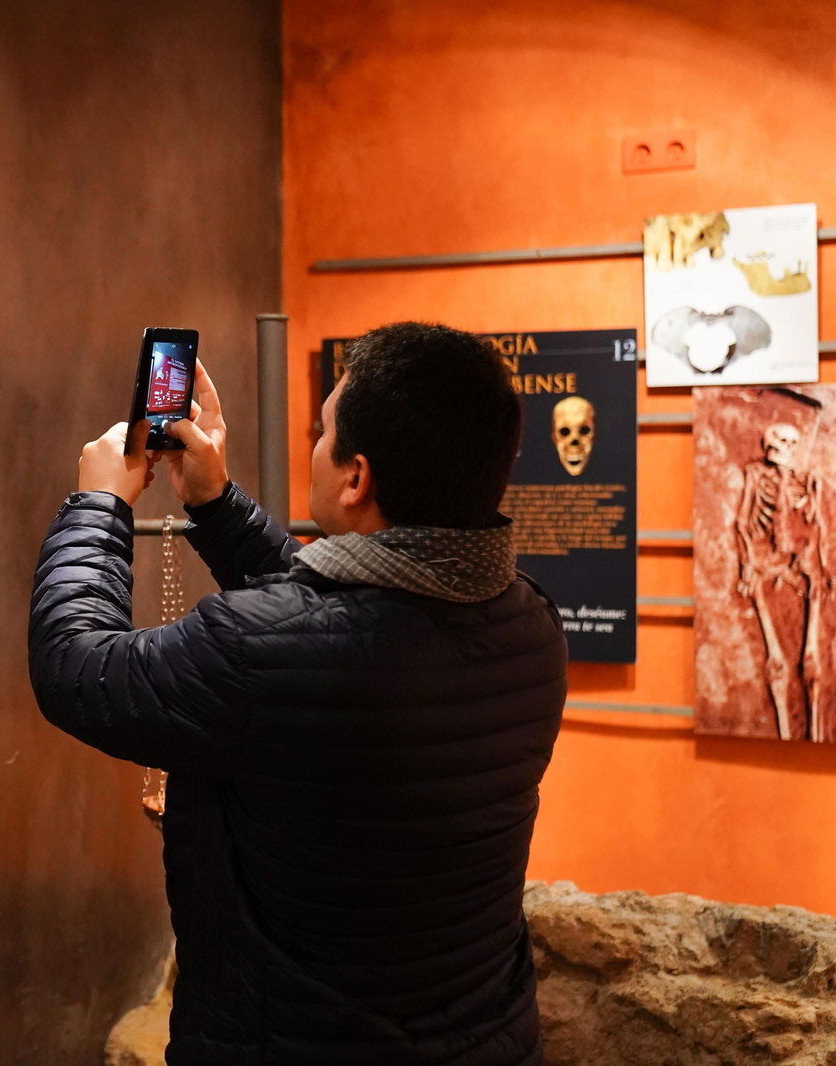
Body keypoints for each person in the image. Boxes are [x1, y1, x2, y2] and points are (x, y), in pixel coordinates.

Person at [28, 322, 566, 1065]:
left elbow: (74, 665)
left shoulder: (265, 653)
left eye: (323, 432)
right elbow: (331, 617)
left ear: (356, 479)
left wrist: (99, 505)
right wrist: (216, 506)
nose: (313, 444)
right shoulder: (531, 624)